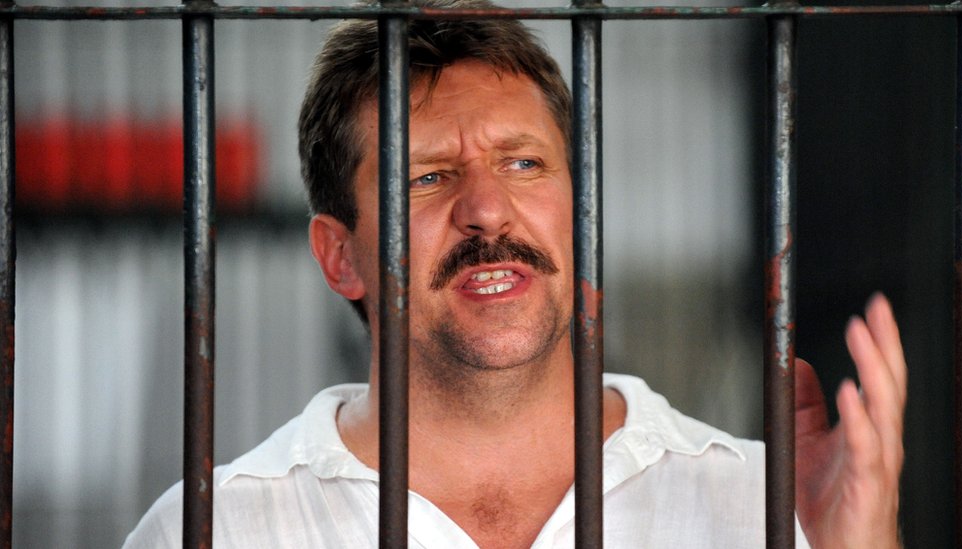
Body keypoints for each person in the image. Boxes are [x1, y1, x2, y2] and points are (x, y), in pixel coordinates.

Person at [124, 1, 906, 547]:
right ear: (339, 255)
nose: (489, 210)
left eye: (524, 163)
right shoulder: (217, 529)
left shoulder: (765, 506)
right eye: (426, 177)